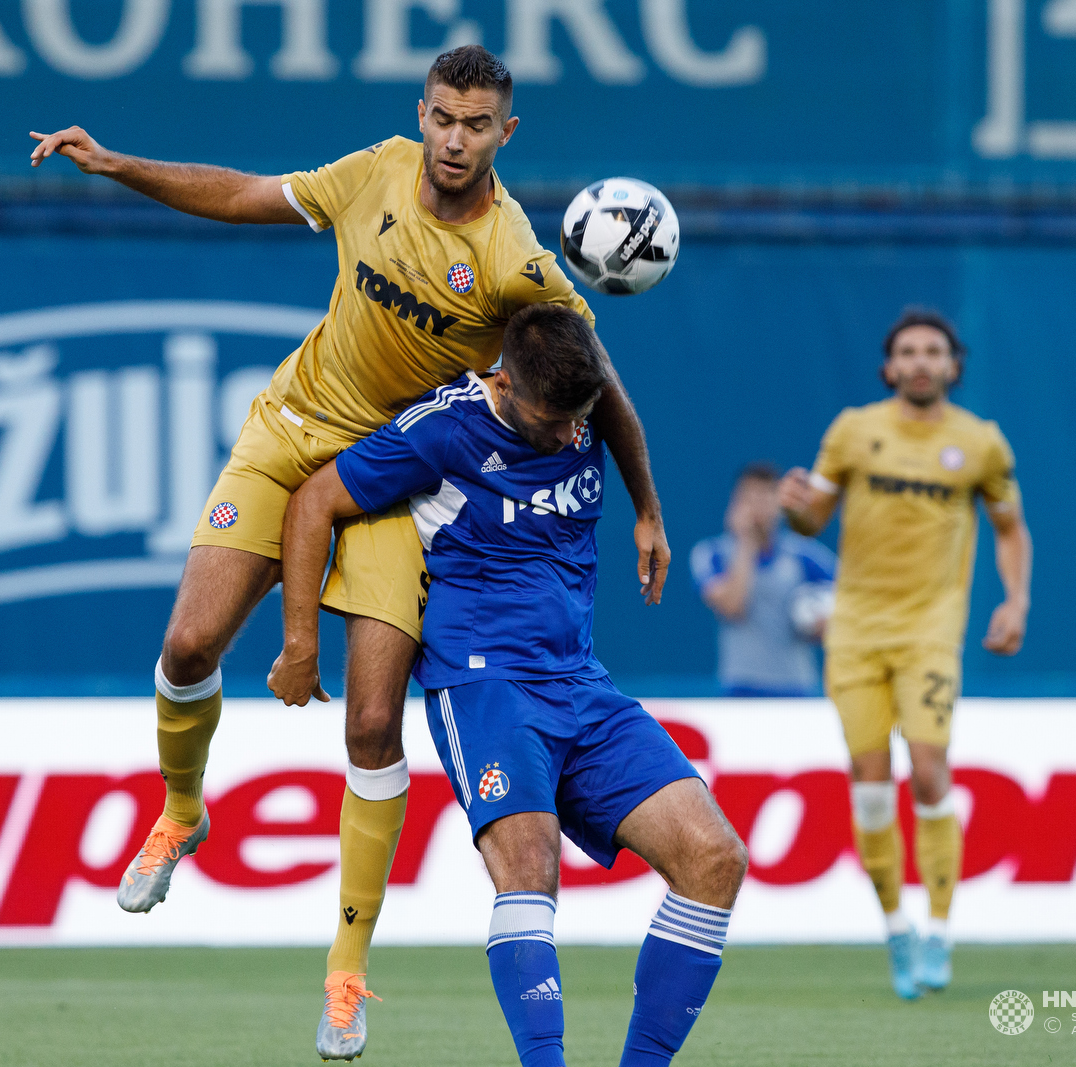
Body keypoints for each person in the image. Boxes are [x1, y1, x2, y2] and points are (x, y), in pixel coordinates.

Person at [27, 45, 671, 1060]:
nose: (455, 139)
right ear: (422, 113)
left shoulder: (518, 261)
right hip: (290, 428)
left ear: (508, 133)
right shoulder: (373, 169)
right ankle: (181, 811)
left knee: (372, 721)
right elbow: (244, 196)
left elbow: (598, 384)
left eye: (477, 124)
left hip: (390, 476)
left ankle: (344, 974)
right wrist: (121, 165)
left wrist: (645, 506)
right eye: (442, 118)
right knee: (190, 646)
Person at [270, 304, 748, 1067]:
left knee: (715, 857)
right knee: (531, 867)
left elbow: (607, 414)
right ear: (506, 381)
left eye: (579, 418)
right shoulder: (444, 429)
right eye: (551, 420)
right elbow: (314, 500)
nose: (567, 436)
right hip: (485, 685)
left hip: (583, 684)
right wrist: (301, 641)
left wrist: (648, 508)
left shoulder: (580, 404)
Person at [780, 307, 1031, 999]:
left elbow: (1011, 529)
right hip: (854, 630)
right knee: (868, 779)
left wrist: (1016, 600)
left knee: (926, 768)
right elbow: (813, 518)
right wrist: (795, 503)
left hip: (930, 629)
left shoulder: (980, 444)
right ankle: (895, 924)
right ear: (890, 367)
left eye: (934, 352)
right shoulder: (855, 430)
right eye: (909, 352)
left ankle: (940, 929)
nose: (921, 362)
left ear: (953, 366)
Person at [691, 462, 836, 697]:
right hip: (741, 689)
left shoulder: (805, 555)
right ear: (735, 503)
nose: (758, 506)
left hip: (796, 690)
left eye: (766, 496)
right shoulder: (711, 553)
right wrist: (745, 542)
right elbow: (732, 606)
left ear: (778, 503)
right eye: (749, 497)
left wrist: (825, 624)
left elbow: (851, 600)